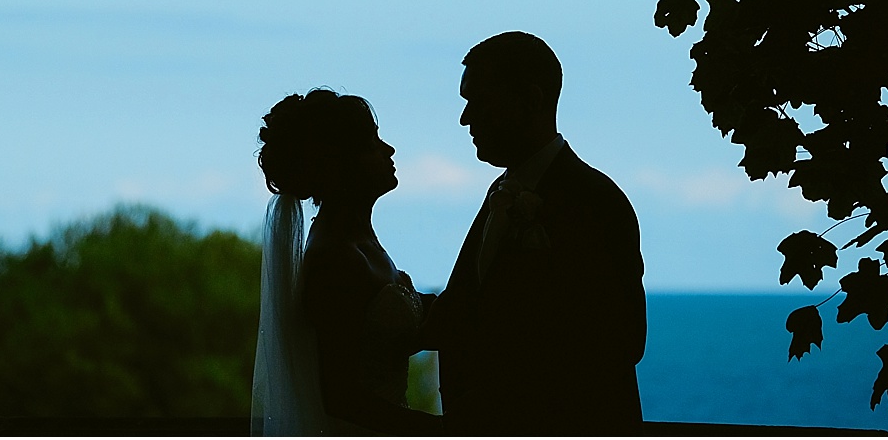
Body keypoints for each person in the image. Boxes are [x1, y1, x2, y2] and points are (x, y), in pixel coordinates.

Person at [424, 31, 647, 434]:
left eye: (480, 101)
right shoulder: (501, 195)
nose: (466, 118)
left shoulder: (596, 202)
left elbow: (622, 340)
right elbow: (468, 307)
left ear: (531, 99)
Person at [251, 89, 442, 435]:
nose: (389, 150)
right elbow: (341, 397)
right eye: (372, 143)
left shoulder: (360, 244)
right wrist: (440, 430)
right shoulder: (336, 260)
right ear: (340, 164)